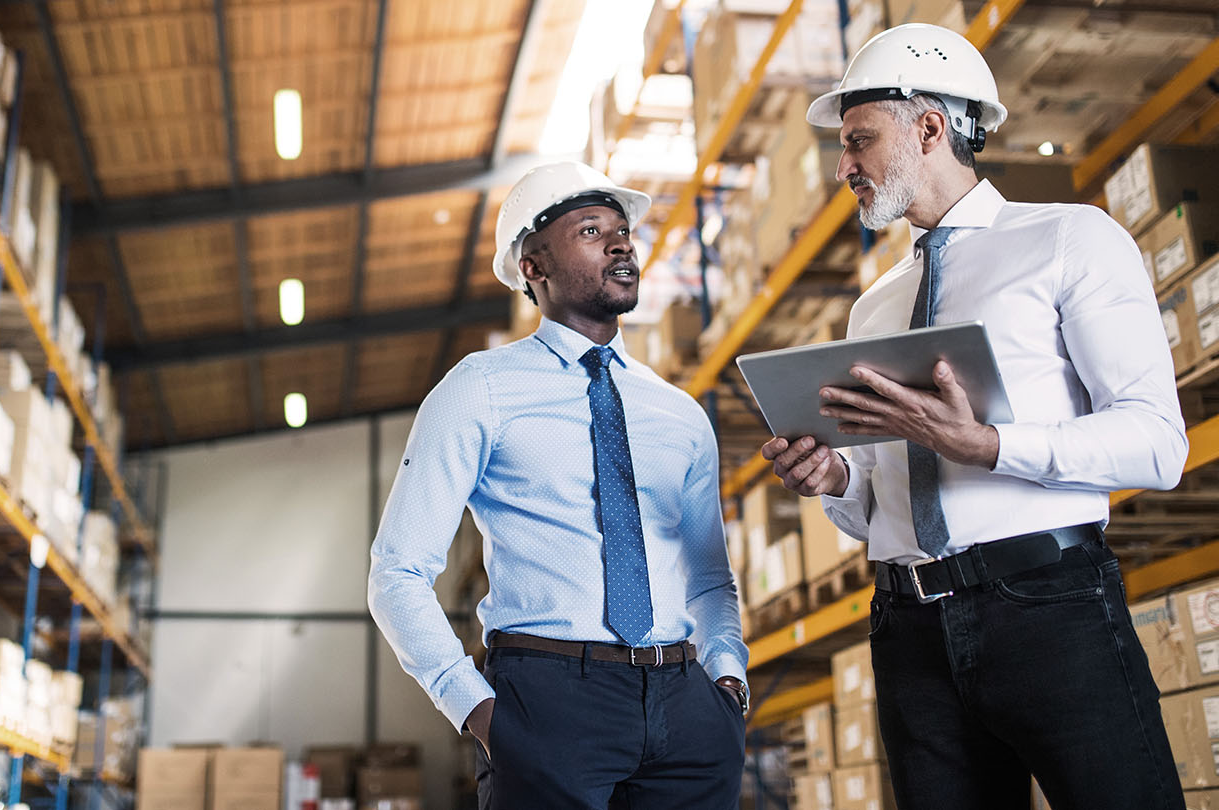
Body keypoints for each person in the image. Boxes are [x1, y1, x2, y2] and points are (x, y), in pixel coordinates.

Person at [760, 23, 1189, 810]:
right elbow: (879, 502)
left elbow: (1158, 443)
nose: (843, 167)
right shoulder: (874, 308)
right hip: (908, 628)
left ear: (929, 129)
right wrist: (835, 479)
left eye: (858, 141)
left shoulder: (1068, 240)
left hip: (1047, 606)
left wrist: (988, 445)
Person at [369, 161, 750, 809]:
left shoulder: (679, 414)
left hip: (687, 707)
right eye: (592, 231)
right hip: (547, 703)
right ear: (533, 266)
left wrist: (727, 683)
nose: (621, 244)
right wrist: (478, 712)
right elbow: (397, 571)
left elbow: (710, 578)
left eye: (624, 231)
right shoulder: (480, 388)